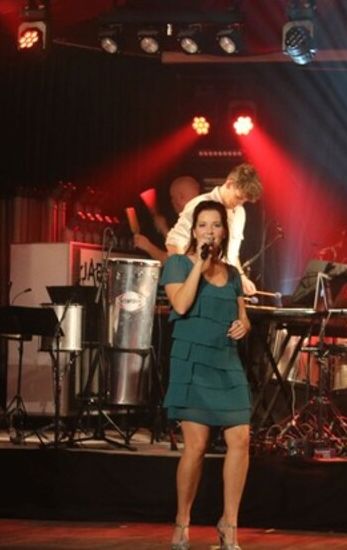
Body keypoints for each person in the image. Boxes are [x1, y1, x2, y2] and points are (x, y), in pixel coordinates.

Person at [161, 200, 252, 550]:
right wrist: (199, 262)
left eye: (215, 225)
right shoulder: (178, 263)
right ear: (194, 230)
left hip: (226, 363)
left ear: (224, 231)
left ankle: (229, 525)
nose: (209, 231)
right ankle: (182, 522)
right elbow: (181, 304)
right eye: (203, 225)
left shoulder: (232, 274)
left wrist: (243, 324)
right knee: (196, 447)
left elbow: (243, 315)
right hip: (193, 363)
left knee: (240, 439)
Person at [166, 164, 262, 295]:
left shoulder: (240, 212)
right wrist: (186, 280)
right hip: (199, 286)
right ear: (229, 184)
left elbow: (232, 254)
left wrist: (241, 277)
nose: (240, 203)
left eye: (244, 201)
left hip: (224, 285)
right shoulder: (199, 205)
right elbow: (173, 243)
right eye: (239, 197)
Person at [133, 175, 200, 263]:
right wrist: (164, 229)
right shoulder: (202, 215)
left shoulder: (193, 222)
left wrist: (147, 246)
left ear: (181, 197)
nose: (172, 202)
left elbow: (177, 262)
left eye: (172, 197)